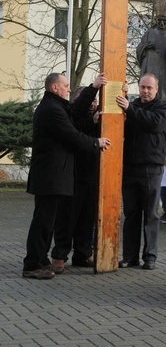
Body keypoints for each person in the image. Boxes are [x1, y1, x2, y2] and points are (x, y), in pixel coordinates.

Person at [23, 72, 110, 280]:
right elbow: (72, 135)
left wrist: (94, 87)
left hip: (53, 177)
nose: (69, 89)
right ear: (55, 88)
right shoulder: (52, 110)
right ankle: (32, 264)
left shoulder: (55, 107)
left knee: (48, 222)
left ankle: (41, 260)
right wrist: (95, 142)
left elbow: (76, 110)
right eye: (66, 86)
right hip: (50, 177)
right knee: (43, 222)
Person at [50, 73, 107, 273]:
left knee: (86, 218)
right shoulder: (71, 115)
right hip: (73, 175)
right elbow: (77, 133)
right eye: (89, 101)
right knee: (67, 218)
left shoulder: (100, 115)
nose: (93, 105)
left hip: (92, 175)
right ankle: (59, 256)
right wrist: (92, 119)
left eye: (94, 103)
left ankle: (83, 254)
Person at [116, 73, 166, 270]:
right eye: (142, 87)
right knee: (131, 214)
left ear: (156, 89)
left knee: (150, 214)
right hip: (130, 167)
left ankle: (150, 257)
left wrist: (130, 109)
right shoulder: (132, 105)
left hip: (151, 167)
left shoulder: (164, 108)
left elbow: (155, 123)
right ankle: (130, 257)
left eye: (149, 88)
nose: (145, 91)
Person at [136, 0, 166, 110]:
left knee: (164, 91)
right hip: (151, 67)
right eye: (159, 20)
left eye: (164, 20)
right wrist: (145, 47)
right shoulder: (149, 33)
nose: (162, 23)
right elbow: (139, 49)